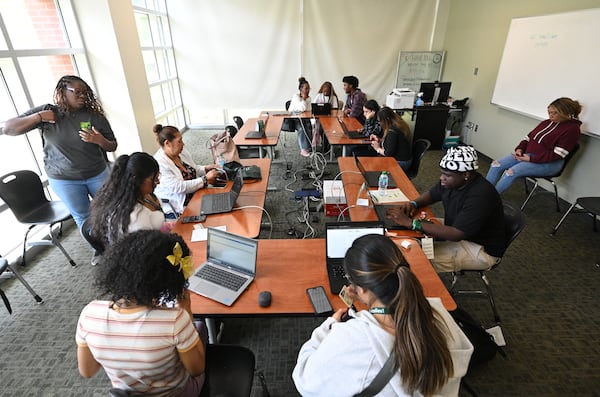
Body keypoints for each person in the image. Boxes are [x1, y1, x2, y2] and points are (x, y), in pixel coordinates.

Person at [292, 234, 473, 396]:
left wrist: (328, 327)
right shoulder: (438, 312)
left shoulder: (351, 338)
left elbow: (305, 381)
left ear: (360, 289)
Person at [76, 230, 206, 396]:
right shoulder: (175, 320)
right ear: (170, 279)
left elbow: (87, 371)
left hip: (125, 393)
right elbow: (196, 370)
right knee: (200, 328)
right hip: (176, 393)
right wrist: (186, 311)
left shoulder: (89, 314)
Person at [3, 75, 117, 229]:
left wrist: (100, 140)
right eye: (77, 92)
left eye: (85, 92)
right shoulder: (47, 112)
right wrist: (39, 117)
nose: (83, 96)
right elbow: (9, 129)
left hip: (97, 174)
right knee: (83, 217)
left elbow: (112, 145)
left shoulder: (94, 116)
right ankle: (98, 249)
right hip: (64, 180)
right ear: (63, 92)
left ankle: (117, 245)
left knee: (109, 211)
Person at [386, 145, 505, 272]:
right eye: (442, 173)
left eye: (447, 175)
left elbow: (456, 234)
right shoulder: (453, 181)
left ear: (466, 174)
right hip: (458, 227)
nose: (441, 178)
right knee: (401, 232)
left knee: (412, 261)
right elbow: (433, 194)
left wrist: (412, 223)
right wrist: (413, 204)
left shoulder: (481, 195)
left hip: (479, 248)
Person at [485, 97, 582, 193]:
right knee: (495, 165)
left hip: (550, 164)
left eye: (555, 113)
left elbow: (557, 155)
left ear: (565, 112)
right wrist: (520, 149)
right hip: (529, 156)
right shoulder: (546, 123)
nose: (550, 116)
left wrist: (530, 159)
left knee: (511, 172)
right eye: (549, 112)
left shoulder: (572, 129)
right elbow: (528, 138)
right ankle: (483, 193)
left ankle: (491, 200)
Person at [89, 152, 173, 251]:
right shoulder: (135, 217)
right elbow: (149, 250)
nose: (158, 182)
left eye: (158, 177)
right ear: (136, 180)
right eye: (153, 179)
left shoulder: (137, 195)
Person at [153, 124, 220, 214]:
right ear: (167, 143)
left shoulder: (180, 151)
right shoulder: (159, 163)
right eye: (179, 141)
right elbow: (178, 187)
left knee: (222, 199)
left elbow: (193, 168)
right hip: (183, 204)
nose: (183, 144)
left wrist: (206, 168)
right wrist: (205, 179)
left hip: (198, 193)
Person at [351, 106, 412, 171]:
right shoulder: (394, 126)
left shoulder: (392, 131)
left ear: (386, 120)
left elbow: (388, 153)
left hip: (400, 162)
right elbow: (390, 143)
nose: (380, 123)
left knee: (371, 166)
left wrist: (377, 148)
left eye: (380, 121)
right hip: (398, 159)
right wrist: (379, 139)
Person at [288, 76, 313, 157]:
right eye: (306, 88)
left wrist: (305, 99)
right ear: (301, 89)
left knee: (309, 126)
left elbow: (309, 110)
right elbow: (302, 109)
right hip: (294, 119)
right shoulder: (296, 96)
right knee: (301, 129)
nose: (308, 90)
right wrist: (304, 99)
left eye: (309, 88)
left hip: (304, 118)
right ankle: (303, 149)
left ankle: (309, 146)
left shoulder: (309, 98)